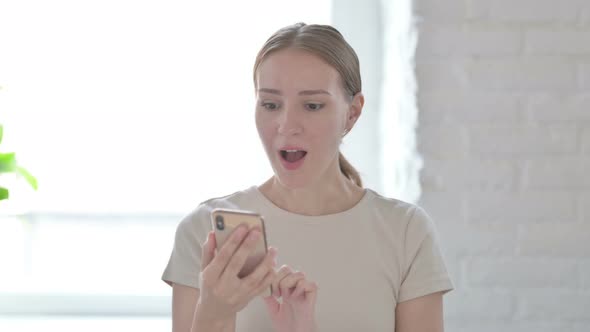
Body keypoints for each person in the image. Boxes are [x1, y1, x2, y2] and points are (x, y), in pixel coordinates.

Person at [161, 22, 454, 332]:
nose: (287, 125)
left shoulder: (405, 232)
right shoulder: (204, 232)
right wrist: (215, 313)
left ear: (352, 113)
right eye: (271, 104)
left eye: (312, 105)